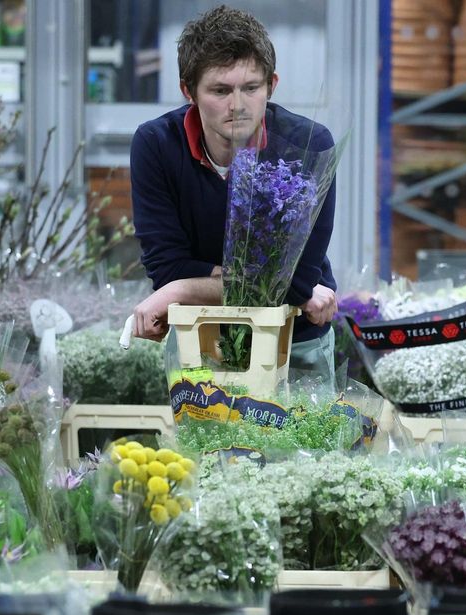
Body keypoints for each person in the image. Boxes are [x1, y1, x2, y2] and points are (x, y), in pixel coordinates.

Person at [128, 4, 338, 381]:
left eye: (251, 88)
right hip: (200, 339)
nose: (237, 105)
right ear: (188, 91)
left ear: (271, 85)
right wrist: (176, 284)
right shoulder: (156, 144)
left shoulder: (309, 146)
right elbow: (166, 266)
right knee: (204, 440)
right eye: (220, 90)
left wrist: (179, 290)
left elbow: (297, 278)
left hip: (295, 341)